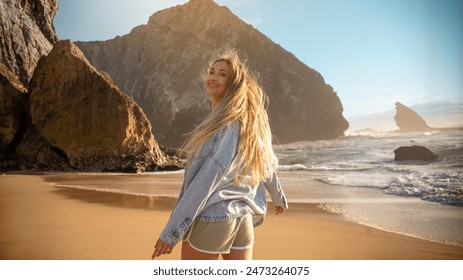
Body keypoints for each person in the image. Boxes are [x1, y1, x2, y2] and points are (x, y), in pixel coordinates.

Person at [151, 50, 288, 260]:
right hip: (243, 218)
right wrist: (278, 197)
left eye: (222, 74)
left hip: (213, 219)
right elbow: (264, 161)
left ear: (233, 83)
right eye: (212, 71)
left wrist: (171, 233)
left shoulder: (222, 126)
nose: (213, 77)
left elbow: (206, 181)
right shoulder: (249, 123)